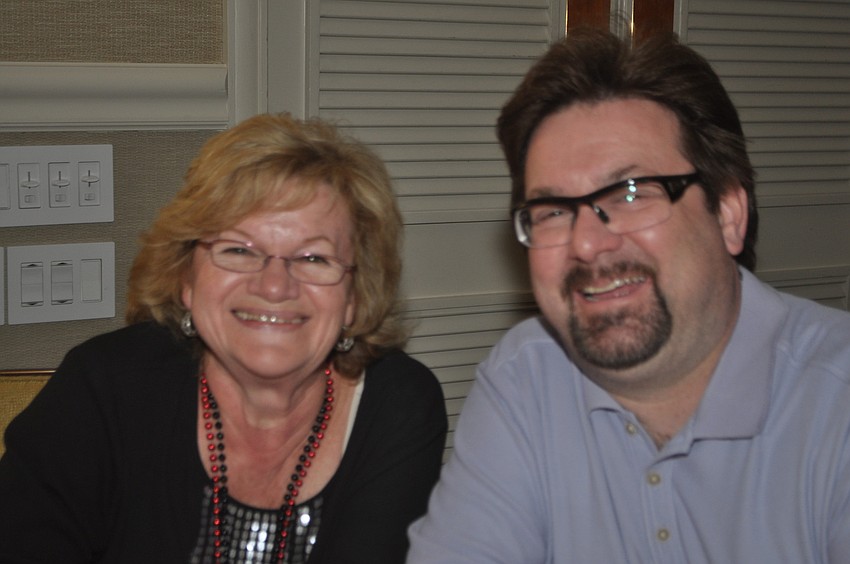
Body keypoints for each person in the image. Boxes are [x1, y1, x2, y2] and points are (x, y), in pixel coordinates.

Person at [407, 28, 850, 563]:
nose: (588, 243)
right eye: (552, 211)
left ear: (729, 214)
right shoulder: (526, 376)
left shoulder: (835, 400)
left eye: (632, 193)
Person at [0, 113, 447, 563]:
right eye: (238, 249)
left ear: (354, 296)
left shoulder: (397, 405)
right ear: (186, 279)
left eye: (314, 257)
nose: (275, 286)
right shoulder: (102, 388)